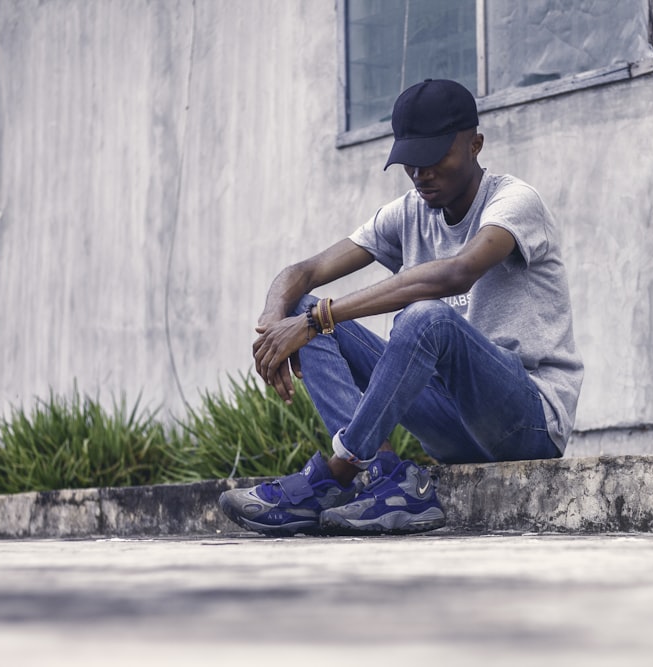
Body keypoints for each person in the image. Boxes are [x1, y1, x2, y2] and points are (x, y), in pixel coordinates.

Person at [219, 79, 583, 536]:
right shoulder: (409, 212)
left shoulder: (513, 202)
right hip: (449, 426)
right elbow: (303, 273)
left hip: (527, 422)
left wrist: (317, 319)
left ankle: (337, 472)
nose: (420, 173)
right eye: (411, 161)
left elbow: (457, 272)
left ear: (475, 144)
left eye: (434, 158)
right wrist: (276, 324)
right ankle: (387, 478)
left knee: (422, 316)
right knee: (305, 310)